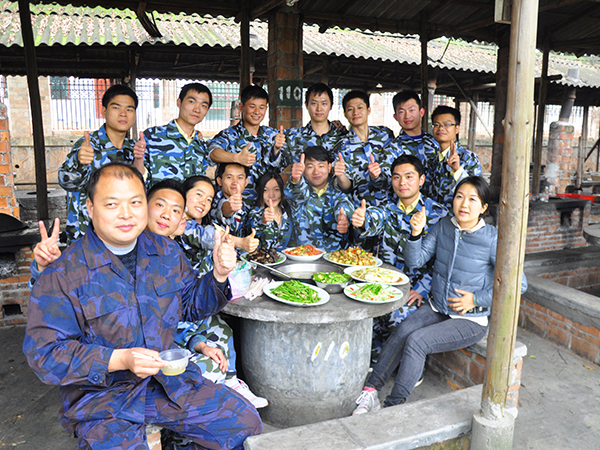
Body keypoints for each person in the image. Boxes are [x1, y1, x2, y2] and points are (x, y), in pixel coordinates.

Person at [23, 163, 262, 449]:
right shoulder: (65, 272)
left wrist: (219, 275)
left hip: (167, 383)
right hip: (102, 398)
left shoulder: (165, 251)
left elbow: (189, 306)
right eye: (112, 204)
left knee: (245, 424)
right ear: (90, 207)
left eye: (135, 203)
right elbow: (45, 354)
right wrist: (120, 359)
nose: (126, 214)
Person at [352, 176, 527, 415]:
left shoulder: (493, 239)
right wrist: (415, 234)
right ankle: (370, 393)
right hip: (437, 308)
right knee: (403, 330)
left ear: (484, 208)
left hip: (470, 319)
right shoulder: (444, 225)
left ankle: (392, 408)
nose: (464, 204)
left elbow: (518, 285)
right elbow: (416, 261)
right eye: (459, 197)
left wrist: (475, 299)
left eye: (472, 199)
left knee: (417, 341)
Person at [352, 155, 448, 360]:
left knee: (399, 317)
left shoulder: (438, 214)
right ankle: (379, 358)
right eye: (396, 177)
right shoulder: (387, 209)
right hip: (386, 283)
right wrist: (362, 220)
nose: (402, 182)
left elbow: (444, 260)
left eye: (409, 176)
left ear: (421, 180)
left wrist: (422, 289)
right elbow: (373, 219)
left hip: (417, 290)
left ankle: (413, 365)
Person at [58, 84, 143, 244]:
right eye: (116, 107)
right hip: (86, 237)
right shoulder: (88, 145)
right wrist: (78, 161)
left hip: (122, 235)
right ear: (104, 111)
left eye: (129, 109)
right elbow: (66, 183)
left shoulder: (135, 149)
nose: (123, 114)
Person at [209, 84, 286, 200]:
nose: (257, 112)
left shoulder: (272, 135)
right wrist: (236, 158)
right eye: (252, 106)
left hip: (262, 206)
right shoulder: (229, 135)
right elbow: (212, 152)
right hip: (235, 206)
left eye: (261, 107)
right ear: (241, 107)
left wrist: (276, 150)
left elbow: (279, 169)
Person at [136, 82, 215, 187]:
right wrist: (138, 158)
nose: (197, 109)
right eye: (192, 102)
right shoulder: (152, 136)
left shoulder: (201, 146)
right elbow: (138, 178)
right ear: (179, 102)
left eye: (204, 105)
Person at [285, 145, 354, 252]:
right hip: (303, 256)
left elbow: (343, 203)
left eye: (321, 166)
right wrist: (296, 179)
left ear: (329, 167)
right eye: (310, 166)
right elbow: (297, 194)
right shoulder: (297, 190)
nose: (316, 172)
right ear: (303, 169)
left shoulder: (337, 190)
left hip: (335, 256)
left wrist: (344, 216)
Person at [332, 90, 394, 209]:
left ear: (368, 110)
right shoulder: (342, 146)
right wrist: (340, 176)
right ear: (345, 114)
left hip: (391, 208)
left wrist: (377, 176)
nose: (356, 112)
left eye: (360, 107)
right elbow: (346, 187)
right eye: (350, 109)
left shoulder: (385, 135)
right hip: (361, 211)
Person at [382, 89, 440, 200]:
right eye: (402, 112)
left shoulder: (436, 144)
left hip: (435, 209)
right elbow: (388, 183)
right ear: (395, 117)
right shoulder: (392, 149)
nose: (407, 116)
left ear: (421, 112)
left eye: (411, 110)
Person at [282, 83, 347, 165]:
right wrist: (276, 150)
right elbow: (274, 166)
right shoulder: (293, 137)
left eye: (324, 103)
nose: (319, 109)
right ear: (306, 105)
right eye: (314, 103)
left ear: (331, 106)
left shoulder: (343, 137)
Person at [430, 105, 482, 207]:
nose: (441, 128)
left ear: (457, 128)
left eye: (447, 124)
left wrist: (458, 170)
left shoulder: (468, 158)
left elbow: (478, 191)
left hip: (458, 219)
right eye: (436, 124)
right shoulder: (433, 160)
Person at [245, 171, 293, 251]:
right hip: (260, 261)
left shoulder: (287, 212)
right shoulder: (255, 213)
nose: (271, 195)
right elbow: (254, 224)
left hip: (284, 260)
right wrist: (264, 219)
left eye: (276, 189)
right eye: (266, 190)